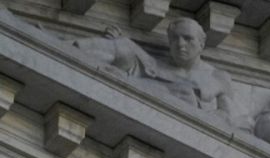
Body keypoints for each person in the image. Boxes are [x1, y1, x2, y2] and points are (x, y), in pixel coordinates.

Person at [75, 17, 235, 121]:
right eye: (174, 39)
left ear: (202, 42)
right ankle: (70, 52)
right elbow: (139, 58)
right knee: (122, 46)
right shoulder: (154, 64)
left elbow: (227, 118)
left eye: (187, 38)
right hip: (144, 92)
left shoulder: (218, 77)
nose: (180, 44)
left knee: (183, 93)